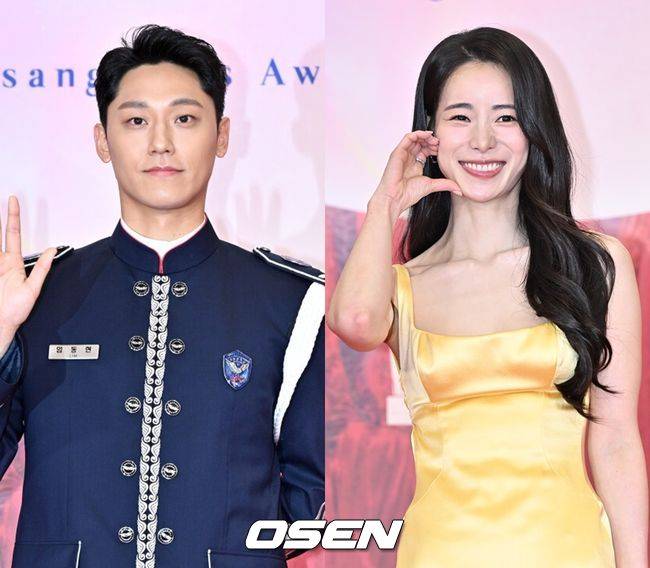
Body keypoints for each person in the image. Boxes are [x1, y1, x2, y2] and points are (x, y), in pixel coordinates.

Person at [0, 24, 324, 568]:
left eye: (184, 119)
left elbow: (310, 495)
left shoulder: (291, 301)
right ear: (102, 140)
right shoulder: (35, 292)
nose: (160, 143)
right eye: (135, 120)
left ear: (222, 136)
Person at [327, 27, 646, 567]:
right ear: (429, 134)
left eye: (505, 117)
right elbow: (355, 321)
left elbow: (615, 439)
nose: (481, 141)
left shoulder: (594, 264)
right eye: (460, 117)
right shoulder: (404, 285)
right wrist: (385, 202)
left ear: (534, 130)